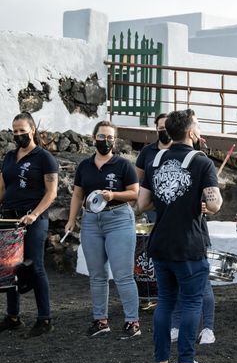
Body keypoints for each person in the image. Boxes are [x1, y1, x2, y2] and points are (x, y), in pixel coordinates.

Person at [137, 109, 222, 363]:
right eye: (197, 125)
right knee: (191, 302)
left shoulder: (156, 158)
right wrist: (199, 201)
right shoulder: (202, 162)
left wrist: (169, 202)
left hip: (160, 241)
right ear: (189, 132)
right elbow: (214, 205)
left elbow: (142, 204)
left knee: (164, 302)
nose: (199, 130)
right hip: (188, 243)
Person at [66, 121, 140, 339]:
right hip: (90, 221)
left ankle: (132, 322)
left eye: (110, 137)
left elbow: (134, 193)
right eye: (101, 136)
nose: (105, 141)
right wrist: (72, 219)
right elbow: (78, 195)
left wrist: (113, 195)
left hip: (118, 219)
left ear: (114, 141)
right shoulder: (84, 166)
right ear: (93, 138)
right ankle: (100, 321)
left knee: (122, 274)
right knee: (97, 275)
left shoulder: (123, 165)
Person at [0, 112, 58, 337]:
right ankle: (13, 317)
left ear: (32, 129)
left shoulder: (44, 157)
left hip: (33, 219)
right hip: (9, 219)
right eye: (15, 131)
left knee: (35, 267)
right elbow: (3, 188)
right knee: (9, 266)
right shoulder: (8, 157)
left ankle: (45, 319)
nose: (18, 134)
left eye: (22, 130)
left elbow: (51, 193)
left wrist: (34, 215)